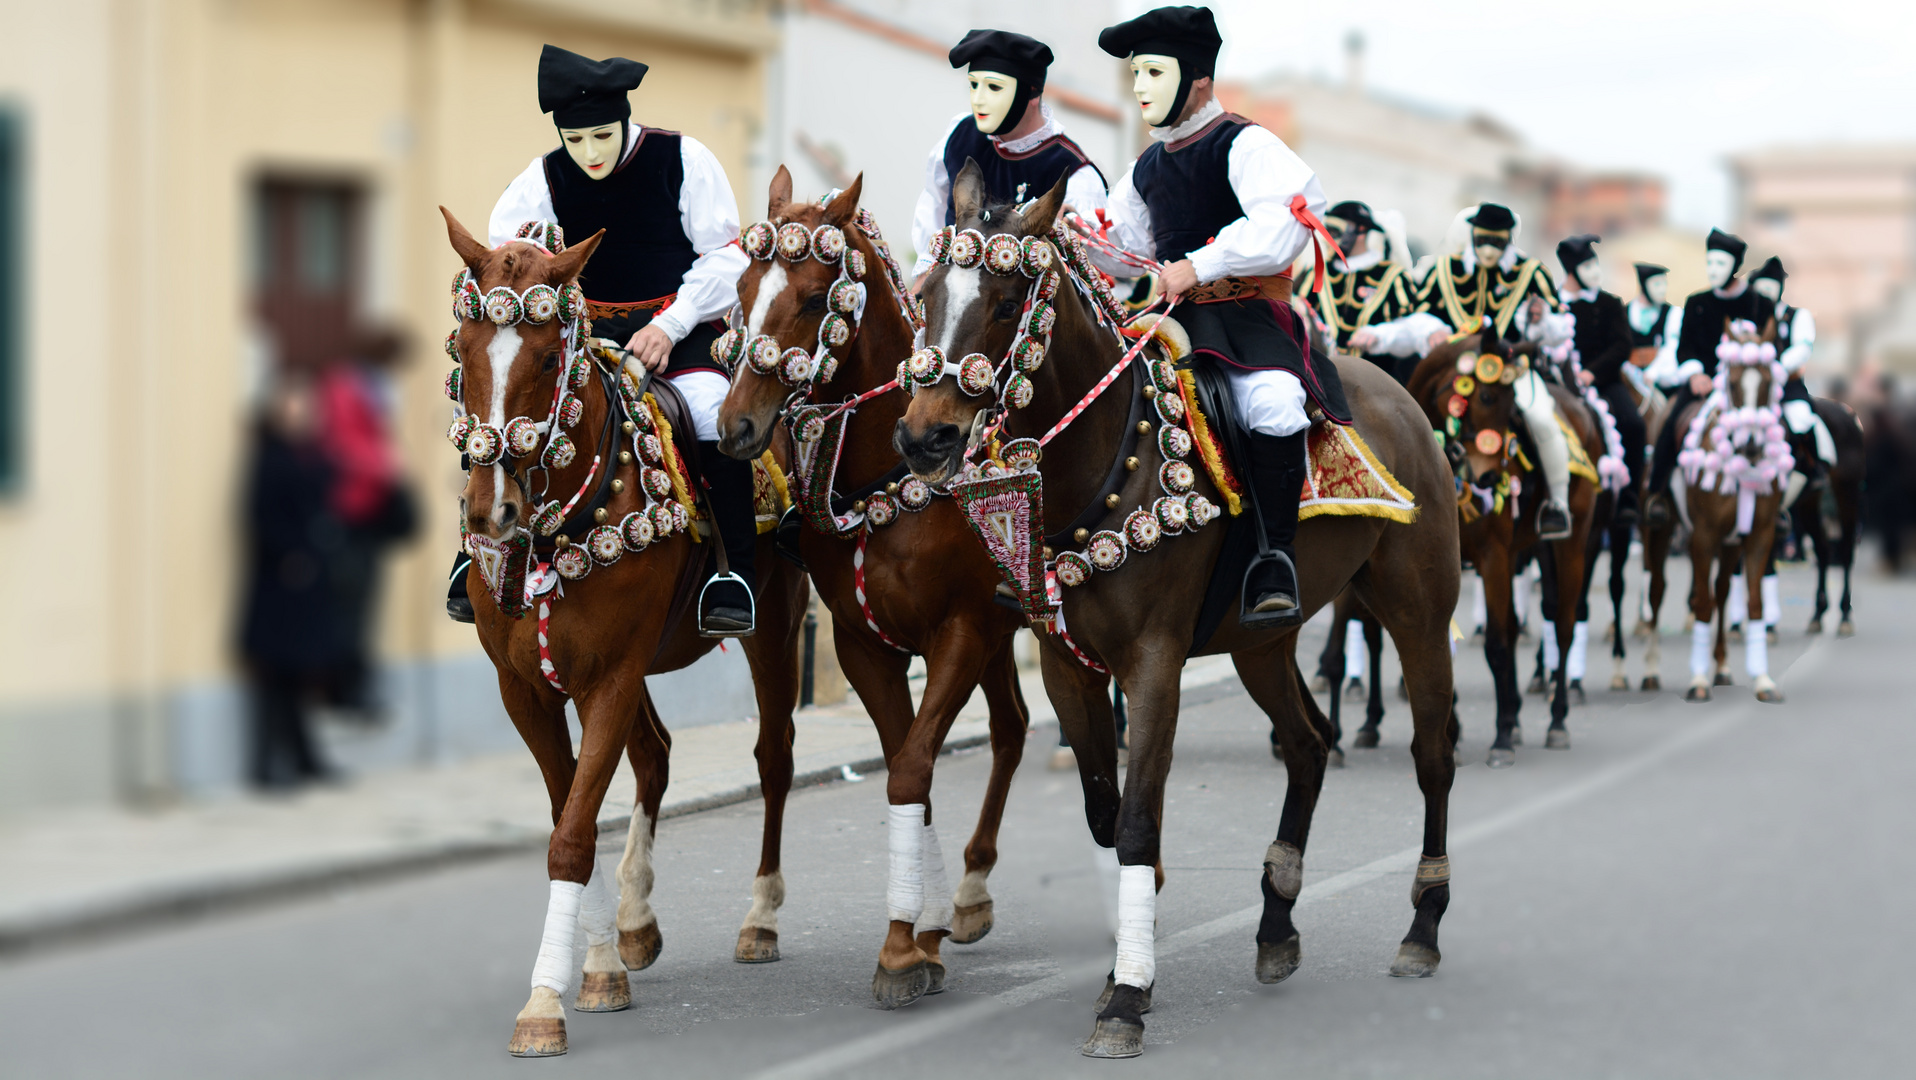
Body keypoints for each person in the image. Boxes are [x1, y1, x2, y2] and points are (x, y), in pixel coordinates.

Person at [449, 45, 756, 635]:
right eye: (576, 140)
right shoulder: (538, 180)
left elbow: (725, 257)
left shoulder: (683, 158)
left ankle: (731, 571)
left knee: (708, 409)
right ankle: (474, 546)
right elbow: (513, 264)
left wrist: (669, 325)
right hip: (582, 332)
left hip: (679, 324)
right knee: (500, 400)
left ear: (624, 120)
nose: (589, 153)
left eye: (601, 136)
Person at [1098, 5, 1352, 628]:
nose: (1140, 88)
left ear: (1199, 80)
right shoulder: (1144, 169)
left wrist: (1200, 264)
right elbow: (1116, 249)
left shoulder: (1246, 142)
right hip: (1167, 325)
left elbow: (1289, 216)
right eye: (1136, 75)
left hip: (1244, 321)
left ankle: (1275, 560)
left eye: (1154, 73)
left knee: (1270, 403)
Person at [1413, 203, 1576, 539]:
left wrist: (1541, 320)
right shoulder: (1443, 269)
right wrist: (1431, 330)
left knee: (1542, 419)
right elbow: (1417, 313)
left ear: (1508, 241)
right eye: (1483, 240)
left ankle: (1557, 503)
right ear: (1472, 236)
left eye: (1497, 243)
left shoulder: (1531, 272)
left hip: (1513, 372)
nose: (1488, 249)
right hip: (1455, 371)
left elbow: (1562, 326)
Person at [910, 29, 1108, 284]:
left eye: (994, 87)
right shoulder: (959, 134)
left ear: (1032, 93)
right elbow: (933, 204)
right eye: (973, 85)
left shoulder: (1074, 173)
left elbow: (1085, 275)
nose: (978, 99)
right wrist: (926, 271)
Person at [239, 375, 343, 790]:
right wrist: (292, 556)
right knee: (274, 677)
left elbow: (326, 495)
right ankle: (265, 765)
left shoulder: (310, 455)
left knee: (300, 677)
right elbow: (260, 517)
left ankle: (304, 760)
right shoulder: (271, 457)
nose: (301, 412)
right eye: (292, 405)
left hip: (306, 585)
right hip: (278, 584)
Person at [1644, 228, 1777, 526]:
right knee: (1669, 423)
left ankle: (1779, 507)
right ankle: (1658, 494)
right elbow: (1685, 348)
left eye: (1720, 263)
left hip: (1748, 389)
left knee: (1782, 432)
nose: (1713, 269)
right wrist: (1694, 374)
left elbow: (1773, 351)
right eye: (1710, 263)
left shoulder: (1761, 305)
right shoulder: (1697, 302)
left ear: (1735, 267)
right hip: (1703, 384)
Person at [1557, 234, 1645, 525]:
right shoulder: (1553, 304)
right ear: (1571, 271)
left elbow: (1622, 346)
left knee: (1633, 424)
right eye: (1587, 266)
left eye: (1595, 264)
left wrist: (1592, 372)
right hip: (1560, 384)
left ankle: (1630, 498)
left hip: (1604, 381)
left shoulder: (1610, 303)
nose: (1595, 272)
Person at [1296, 200, 1434, 384]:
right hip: (1318, 379)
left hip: (1376, 386)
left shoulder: (1393, 277)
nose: (1327, 238)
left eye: (1335, 232)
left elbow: (1414, 328)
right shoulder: (1316, 273)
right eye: (1326, 230)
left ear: (1361, 231)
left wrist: (1380, 334)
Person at [1750, 256, 1834, 490]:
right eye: (1762, 289)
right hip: (1752, 387)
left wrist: (1775, 366)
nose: (1766, 293)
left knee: (1800, 416)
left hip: (1787, 386)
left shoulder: (1797, 317)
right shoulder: (1747, 321)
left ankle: (1813, 466)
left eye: (1771, 288)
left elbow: (1802, 349)